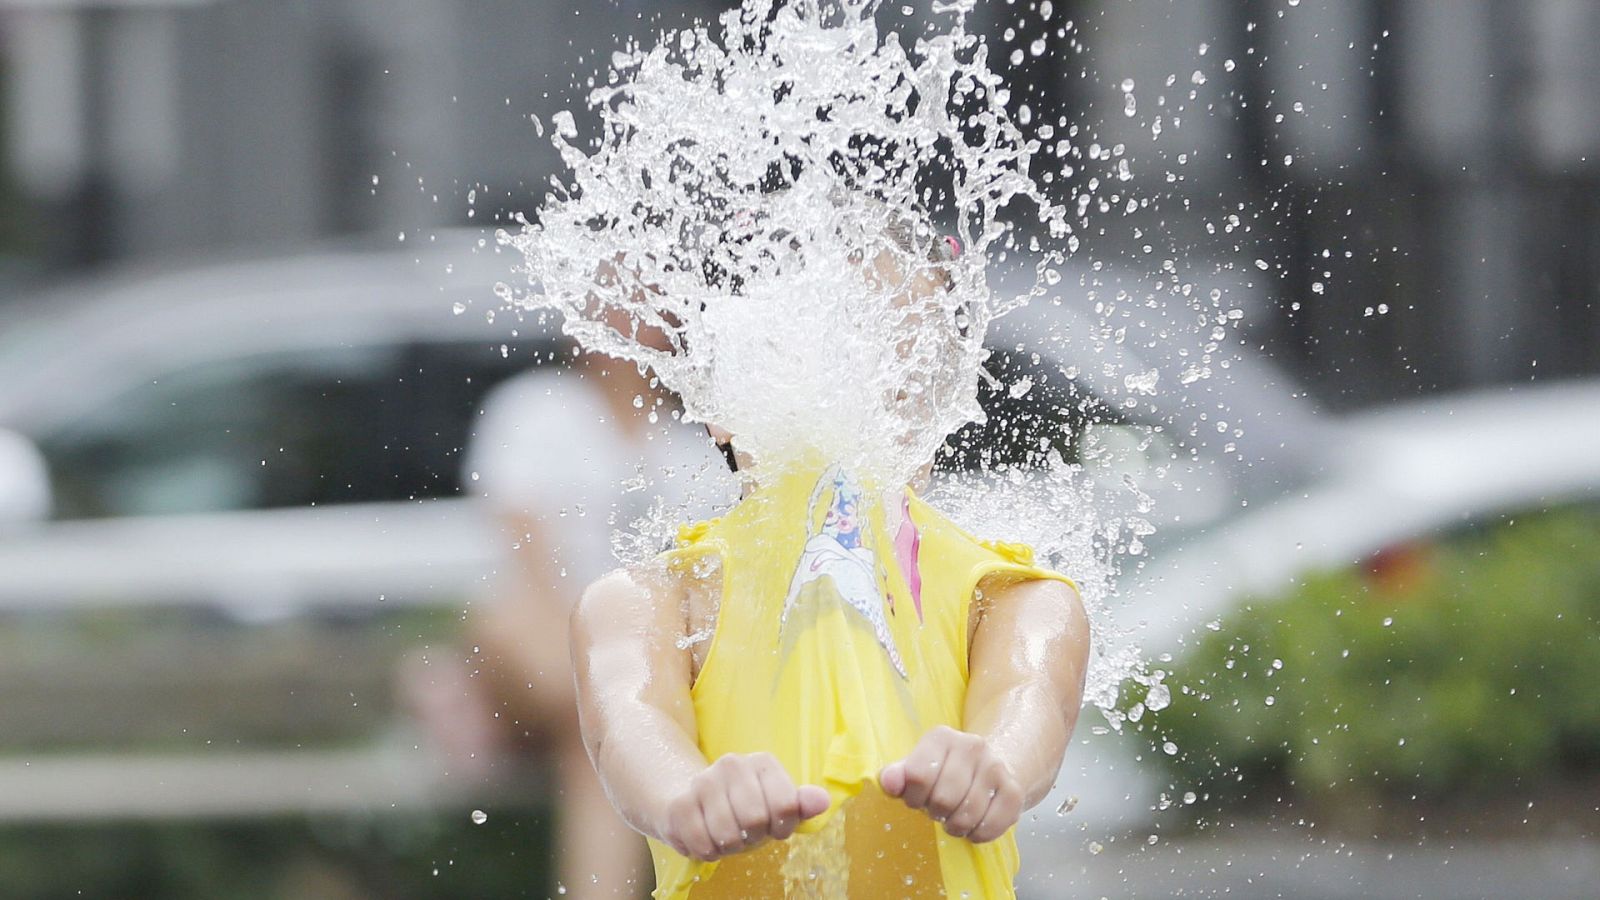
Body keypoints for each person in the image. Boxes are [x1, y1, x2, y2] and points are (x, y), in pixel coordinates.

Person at [570, 226, 1093, 898]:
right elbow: (631, 724)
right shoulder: (652, 601)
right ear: (717, 406)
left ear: (945, 404)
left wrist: (995, 765)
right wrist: (685, 793)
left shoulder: (1012, 600)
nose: (860, 407)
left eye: (901, 380)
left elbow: (1030, 700)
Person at [405, 332, 733, 899]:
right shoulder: (536, 408)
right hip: (547, 644)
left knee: (599, 727)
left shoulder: (688, 439)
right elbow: (525, 550)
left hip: (605, 672)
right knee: (604, 704)